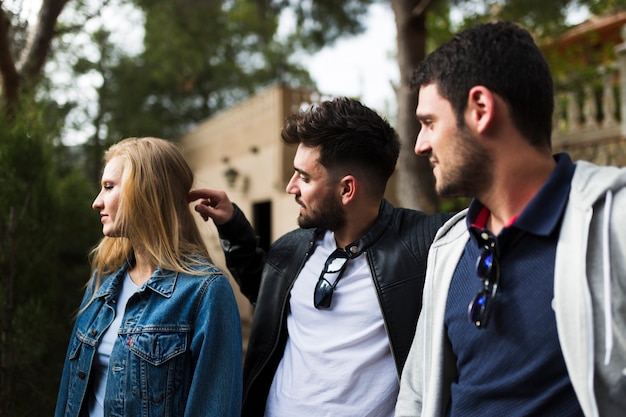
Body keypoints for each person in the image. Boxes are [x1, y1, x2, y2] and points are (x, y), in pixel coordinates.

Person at [395, 21, 626, 417]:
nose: (419, 145)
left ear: (481, 109)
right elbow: (416, 395)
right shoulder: (449, 251)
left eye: (429, 122)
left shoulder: (614, 222)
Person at [188, 97, 453, 416]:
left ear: (346, 190)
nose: (290, 187)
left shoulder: (426, 246)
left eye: (304, 176)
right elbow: (268, 296)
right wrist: (233, 228)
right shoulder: (292, 248)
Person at [55, 137, 242, 417]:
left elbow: (214, 407)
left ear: (147, 191)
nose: (97, 202)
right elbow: (70, 391)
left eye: (109, 187)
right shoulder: (103, 280)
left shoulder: (205, 292)